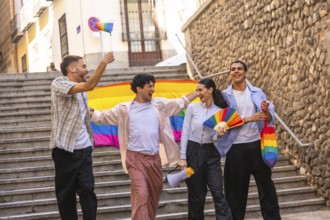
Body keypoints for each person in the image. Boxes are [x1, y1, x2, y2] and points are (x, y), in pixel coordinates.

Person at [90, 74, 197, 220]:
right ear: (139, 88)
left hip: (154, 160)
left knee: (154, 194)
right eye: (149, 86)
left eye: (153, 86)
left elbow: (180, 103)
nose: (152, 89)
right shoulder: (124, 109)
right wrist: (87, 109)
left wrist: (196, 92)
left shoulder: (159, 105)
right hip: (134, 159)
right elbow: (102, 117)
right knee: (141, 194)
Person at [50, 52, 115, 220]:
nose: (86, 70)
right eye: (83, 66)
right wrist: (103, 62)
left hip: (84, 148)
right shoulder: (59, 83)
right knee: (66, 196)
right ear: (72, 68)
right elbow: (89, 86)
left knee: (87, 190)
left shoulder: (83, 92)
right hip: (65, 148)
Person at [218, 60, 281, 220]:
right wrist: (249, 118)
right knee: (235, 194)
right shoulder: (224, 96)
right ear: (230, 73)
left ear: (246, 72)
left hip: (257, 146)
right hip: (236, 148)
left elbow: (268, 117)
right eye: (233, 69)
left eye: (239, 69)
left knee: (267, 189)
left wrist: (265, 111)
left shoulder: (257, 92)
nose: (236, 71)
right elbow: (224, 123)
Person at [177, 78, 232, 220]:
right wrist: (183, 157)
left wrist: (219, 135)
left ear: (210, 90)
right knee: (196, 196)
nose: (198, 93)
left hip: (211, 153)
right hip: (192, 151)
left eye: (200, 90)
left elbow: (214, 138)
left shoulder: (220, 112)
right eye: (197, 90)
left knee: (218, 192)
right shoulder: (192, 108)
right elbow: (185, 132)